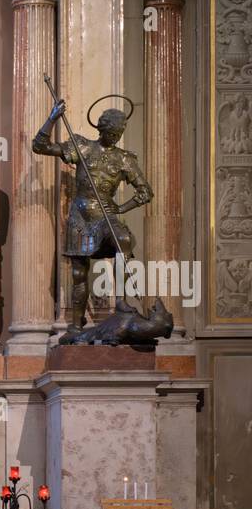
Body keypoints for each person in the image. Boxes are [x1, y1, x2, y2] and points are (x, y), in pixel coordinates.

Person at [32, 100, 153, 334]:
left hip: (106, 214)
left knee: (123, 240)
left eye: (119, 134)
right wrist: (52, 118)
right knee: (79, 271)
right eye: (111, 133)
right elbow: (40, 146)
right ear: (101, 130)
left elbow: (145, 191)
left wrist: (121, 208)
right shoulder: (83, 147)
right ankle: (77, 324)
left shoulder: (124, 158)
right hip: (81, 216)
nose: (115, 138)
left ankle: (121, 300)